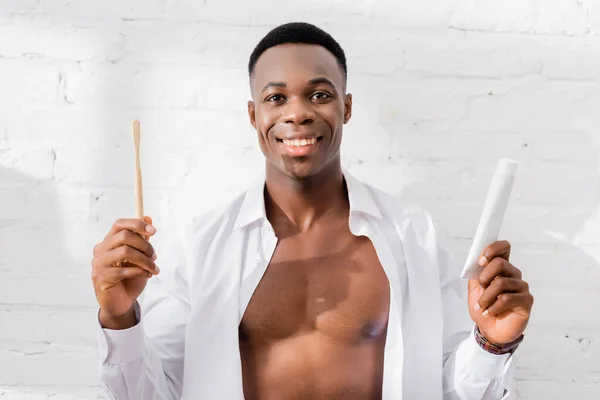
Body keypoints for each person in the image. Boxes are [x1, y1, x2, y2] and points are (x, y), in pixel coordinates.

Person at [92, 22, 534, 400]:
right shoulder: (202, 243)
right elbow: (153, 394)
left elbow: (453, 391)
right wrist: (119, 318)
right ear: (253, 114)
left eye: (319, 94)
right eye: (276, 98)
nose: (298, 113)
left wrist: (493, 344)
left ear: (346, 107)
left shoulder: (413, 234)